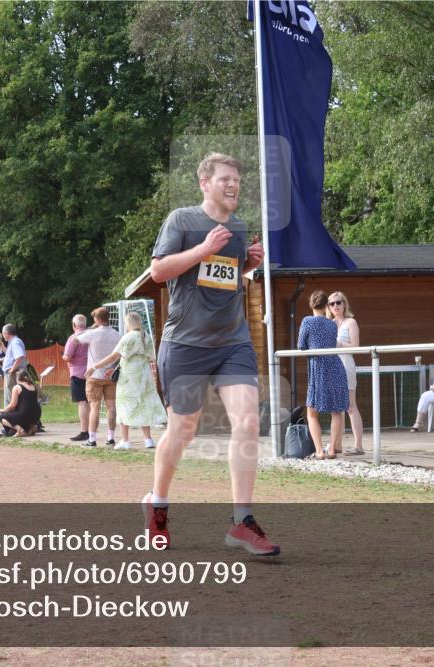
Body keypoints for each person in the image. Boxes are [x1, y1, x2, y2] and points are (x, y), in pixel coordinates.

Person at [144, 152, 277, 556]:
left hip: (232, 342)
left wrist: (247, 266)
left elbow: (224, 279)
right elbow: (159, 272)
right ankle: (157, 506)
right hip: (185, 343)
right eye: (225, 179)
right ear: (205, 184)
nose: (234, 185)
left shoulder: (238, 228)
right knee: (183, 431)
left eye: (237, 180)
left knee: (249, 421)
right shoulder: (182, 221)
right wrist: (202, 249)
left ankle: (242, 521)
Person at [87, 312, 166, 450]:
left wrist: (95, 366)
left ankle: (125, 440)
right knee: (143, 405)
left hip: (129, 376)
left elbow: (114, 356)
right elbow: (149, 357)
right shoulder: (145, 335)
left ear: (128, 323)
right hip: (144, 375)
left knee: (124, 405)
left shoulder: (128, 337)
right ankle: (148, 440)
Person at [298, 290, 349, 459]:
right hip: (335, 366)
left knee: (312, 412)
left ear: (311, 304)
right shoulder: (332, 324)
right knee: (336, 411)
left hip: (318, 368)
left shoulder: (307, 321)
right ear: (326, 305)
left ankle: (320, 451)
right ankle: (333, 449)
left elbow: (301, 345)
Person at [72, 307, 121, 447]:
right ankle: (111, 437)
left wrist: (90, 328)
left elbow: (76, 340)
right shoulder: (116, 334)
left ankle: (92, 439)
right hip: (110, 375)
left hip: (94, 375)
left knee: (94, 407)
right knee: (111, 407)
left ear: (96, 319)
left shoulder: (92, 333)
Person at [327, 290, 364, 455]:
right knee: (336, 407)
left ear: (344, 304)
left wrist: (339, 344)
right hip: (332, 365)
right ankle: (337, 445)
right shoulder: (329, 323)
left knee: (350, 406)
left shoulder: (351, 322)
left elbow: (356, 347)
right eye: (332, 303)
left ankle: (358, 446)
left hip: (346, 364)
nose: (335, 306)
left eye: (338, 302)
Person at [63, 314, 91, 442]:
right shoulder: (92, 335)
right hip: (92, 371)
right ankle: (92, 430)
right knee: (91, 402)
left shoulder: (74, 338)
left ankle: (84, 431)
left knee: (82, 402)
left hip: (77, 373)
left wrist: (64, 357)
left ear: (74, 325)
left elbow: (67, 356)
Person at [0, 368, 41, 437]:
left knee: (2, 417)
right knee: (22, 415)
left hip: (24, 414)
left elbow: (12, 405)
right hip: (36, 415)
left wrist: (3, 410)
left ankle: (20, 430)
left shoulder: (17, 387)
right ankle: (31, 428)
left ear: (17, 378)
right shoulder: (33, 386)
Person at [1, 323, 27, 395]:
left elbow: (19, 357)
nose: (2, 335)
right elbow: (12, 356)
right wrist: (3, 348)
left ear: (6, 333)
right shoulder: (13, 342)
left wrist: (11, 370)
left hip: (13, 374)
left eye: (3, 333)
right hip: (12, 373)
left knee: (12, 398)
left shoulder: (15, 342)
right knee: (10, 398)